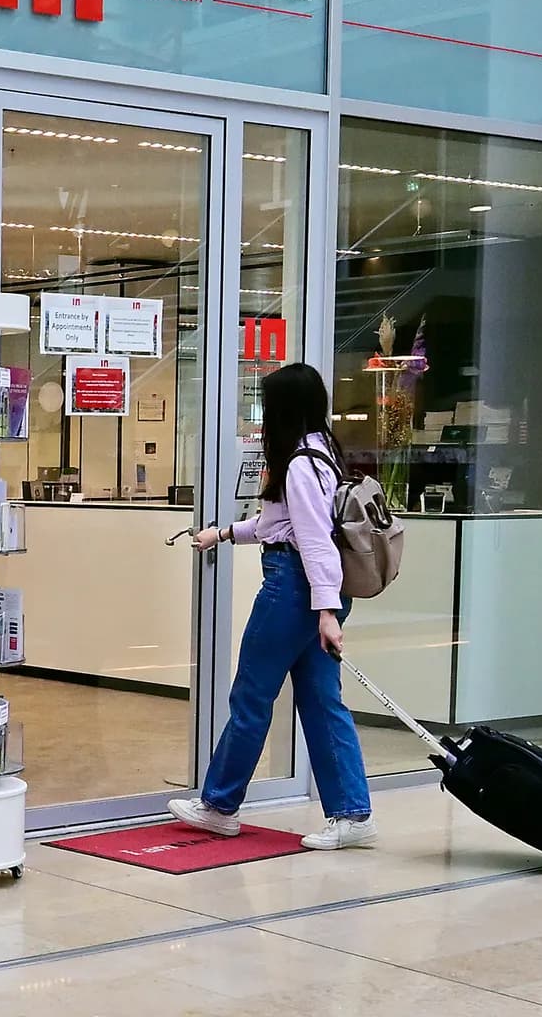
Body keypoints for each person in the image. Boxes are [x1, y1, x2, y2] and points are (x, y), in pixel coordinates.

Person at [167, 361, 377, 851]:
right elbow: (275, 526)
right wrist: (221, 534)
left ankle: (219, 805)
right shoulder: (324, 452)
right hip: (316, 592)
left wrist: (325, 612)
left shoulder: (301, 464)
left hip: (295, 591)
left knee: (252, 695)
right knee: (323, 702)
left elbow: (313, 542)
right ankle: (352, 813)